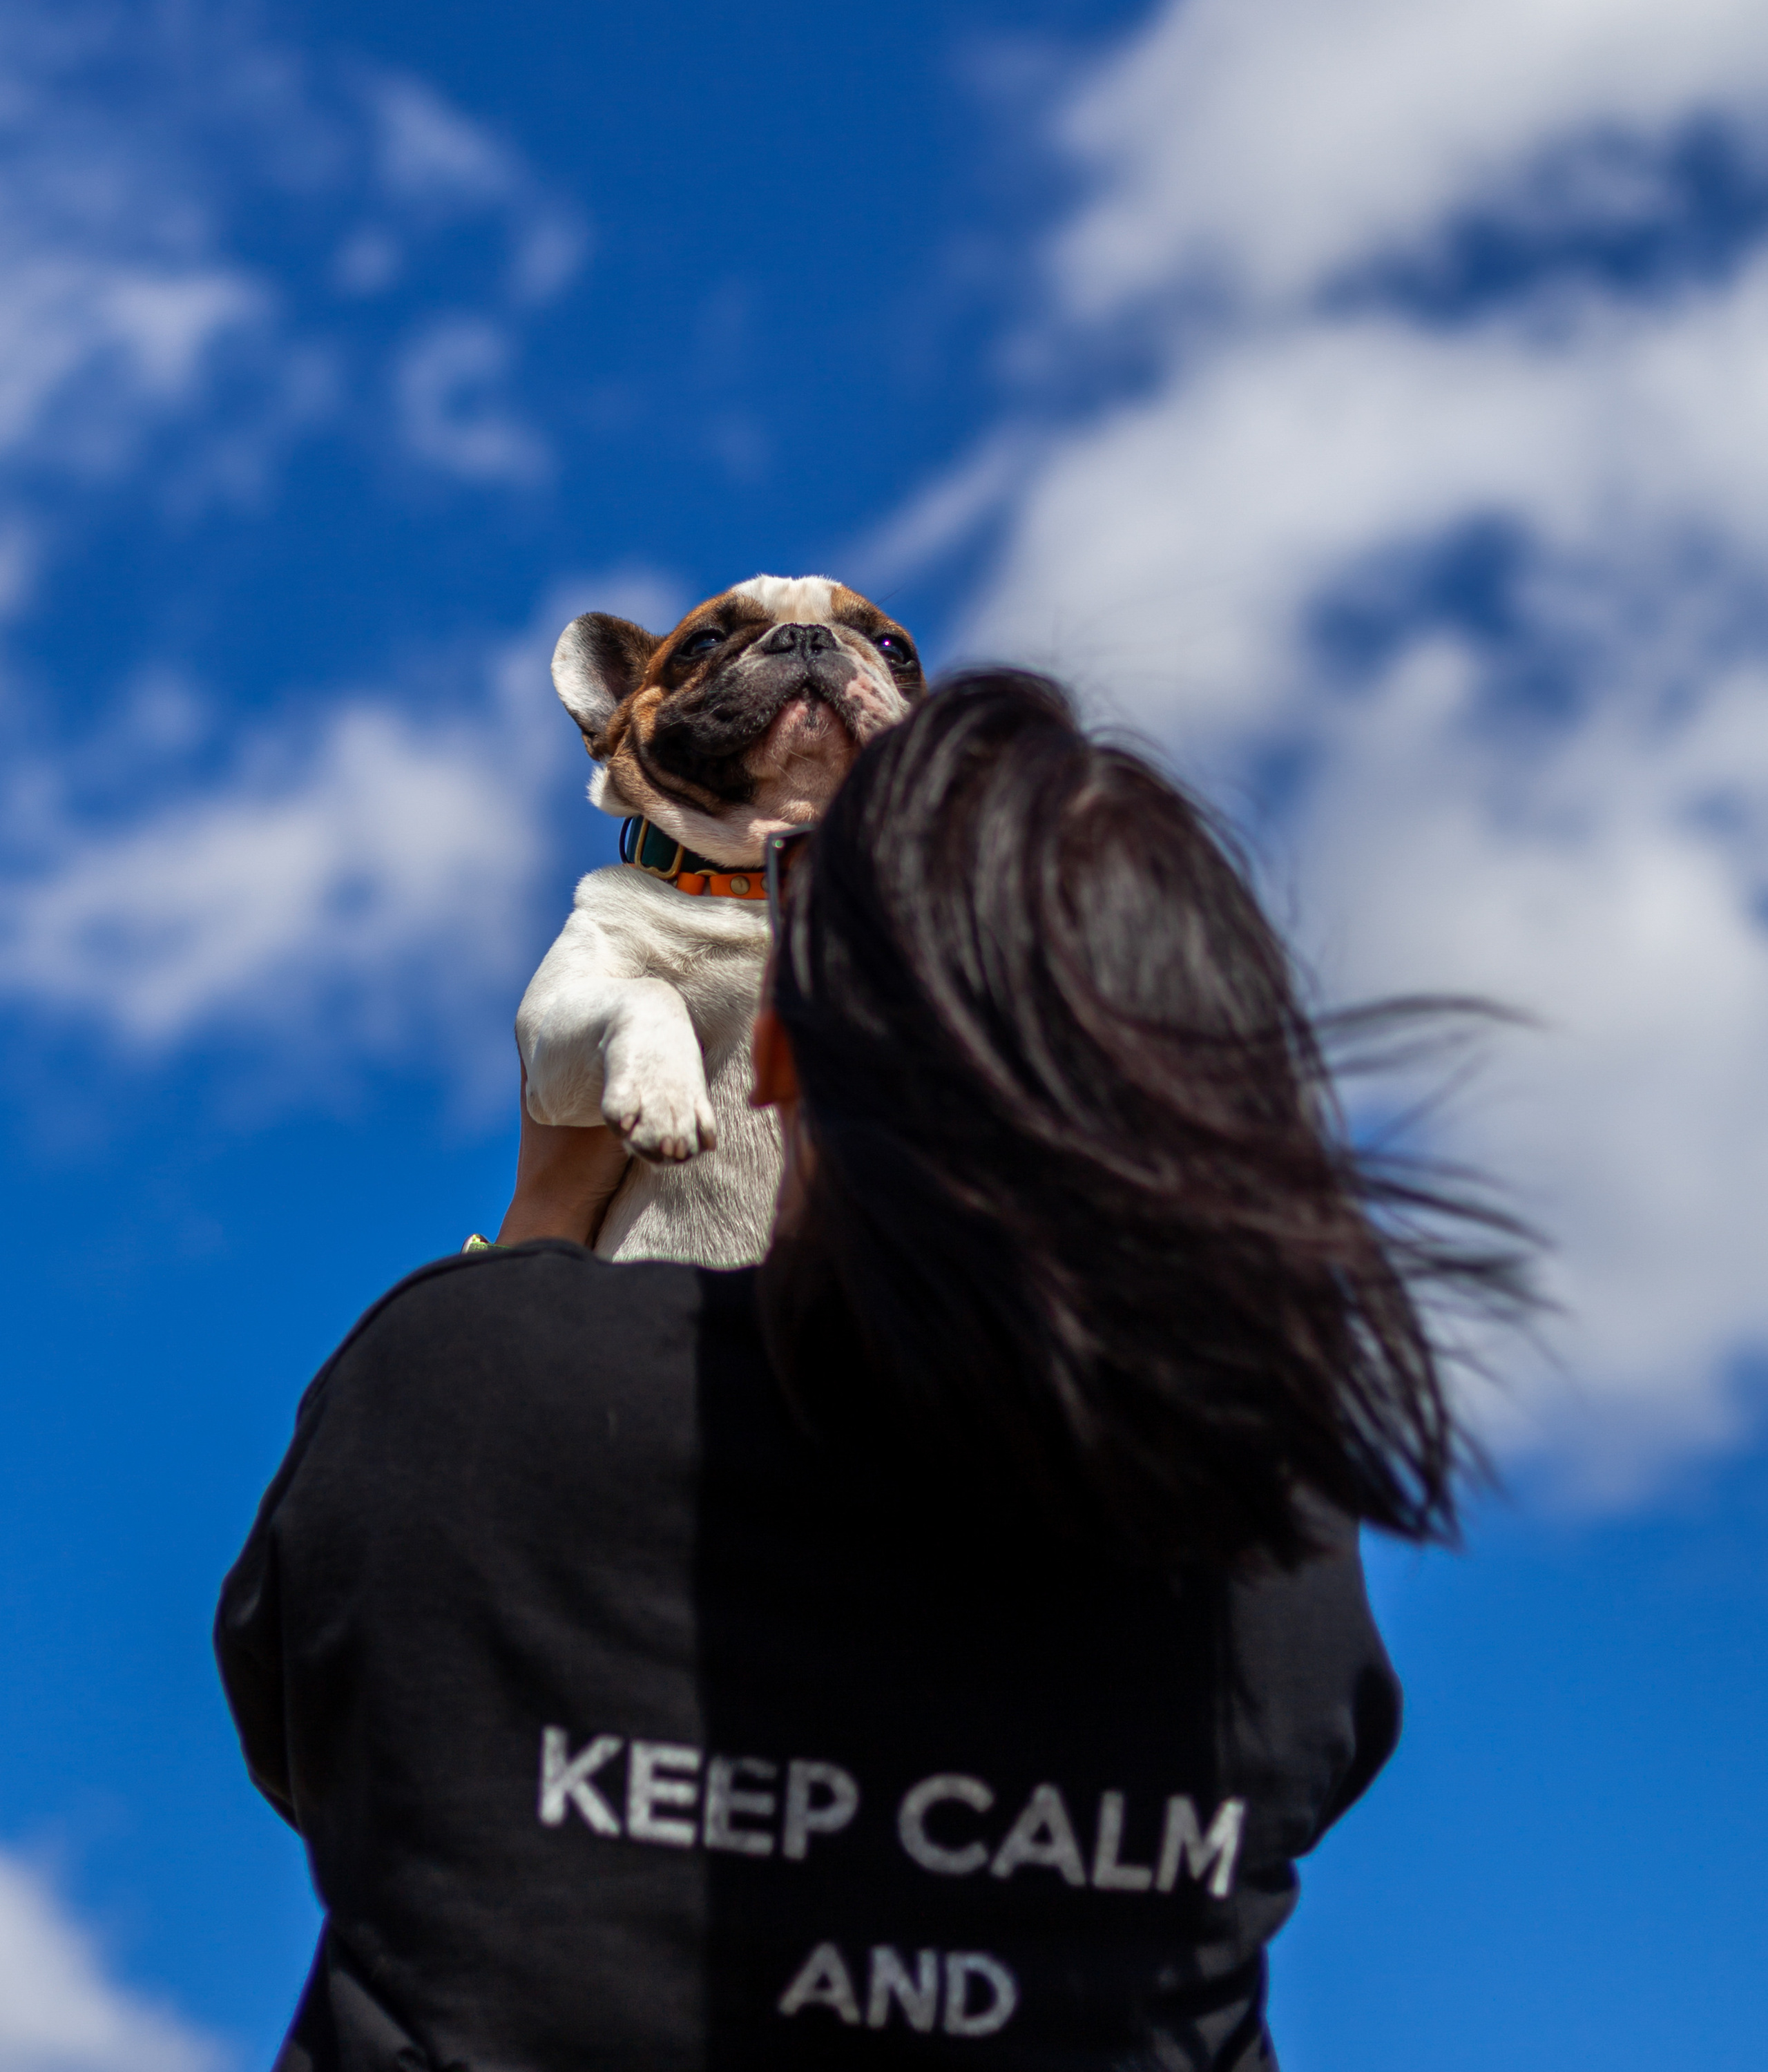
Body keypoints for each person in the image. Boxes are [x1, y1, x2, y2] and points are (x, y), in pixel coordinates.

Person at [216, 669, 1526, 2070]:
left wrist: (541, 1230)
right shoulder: (1262, 1560)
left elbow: (330, 1747)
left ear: (771, 1047)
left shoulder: (462, 1399)